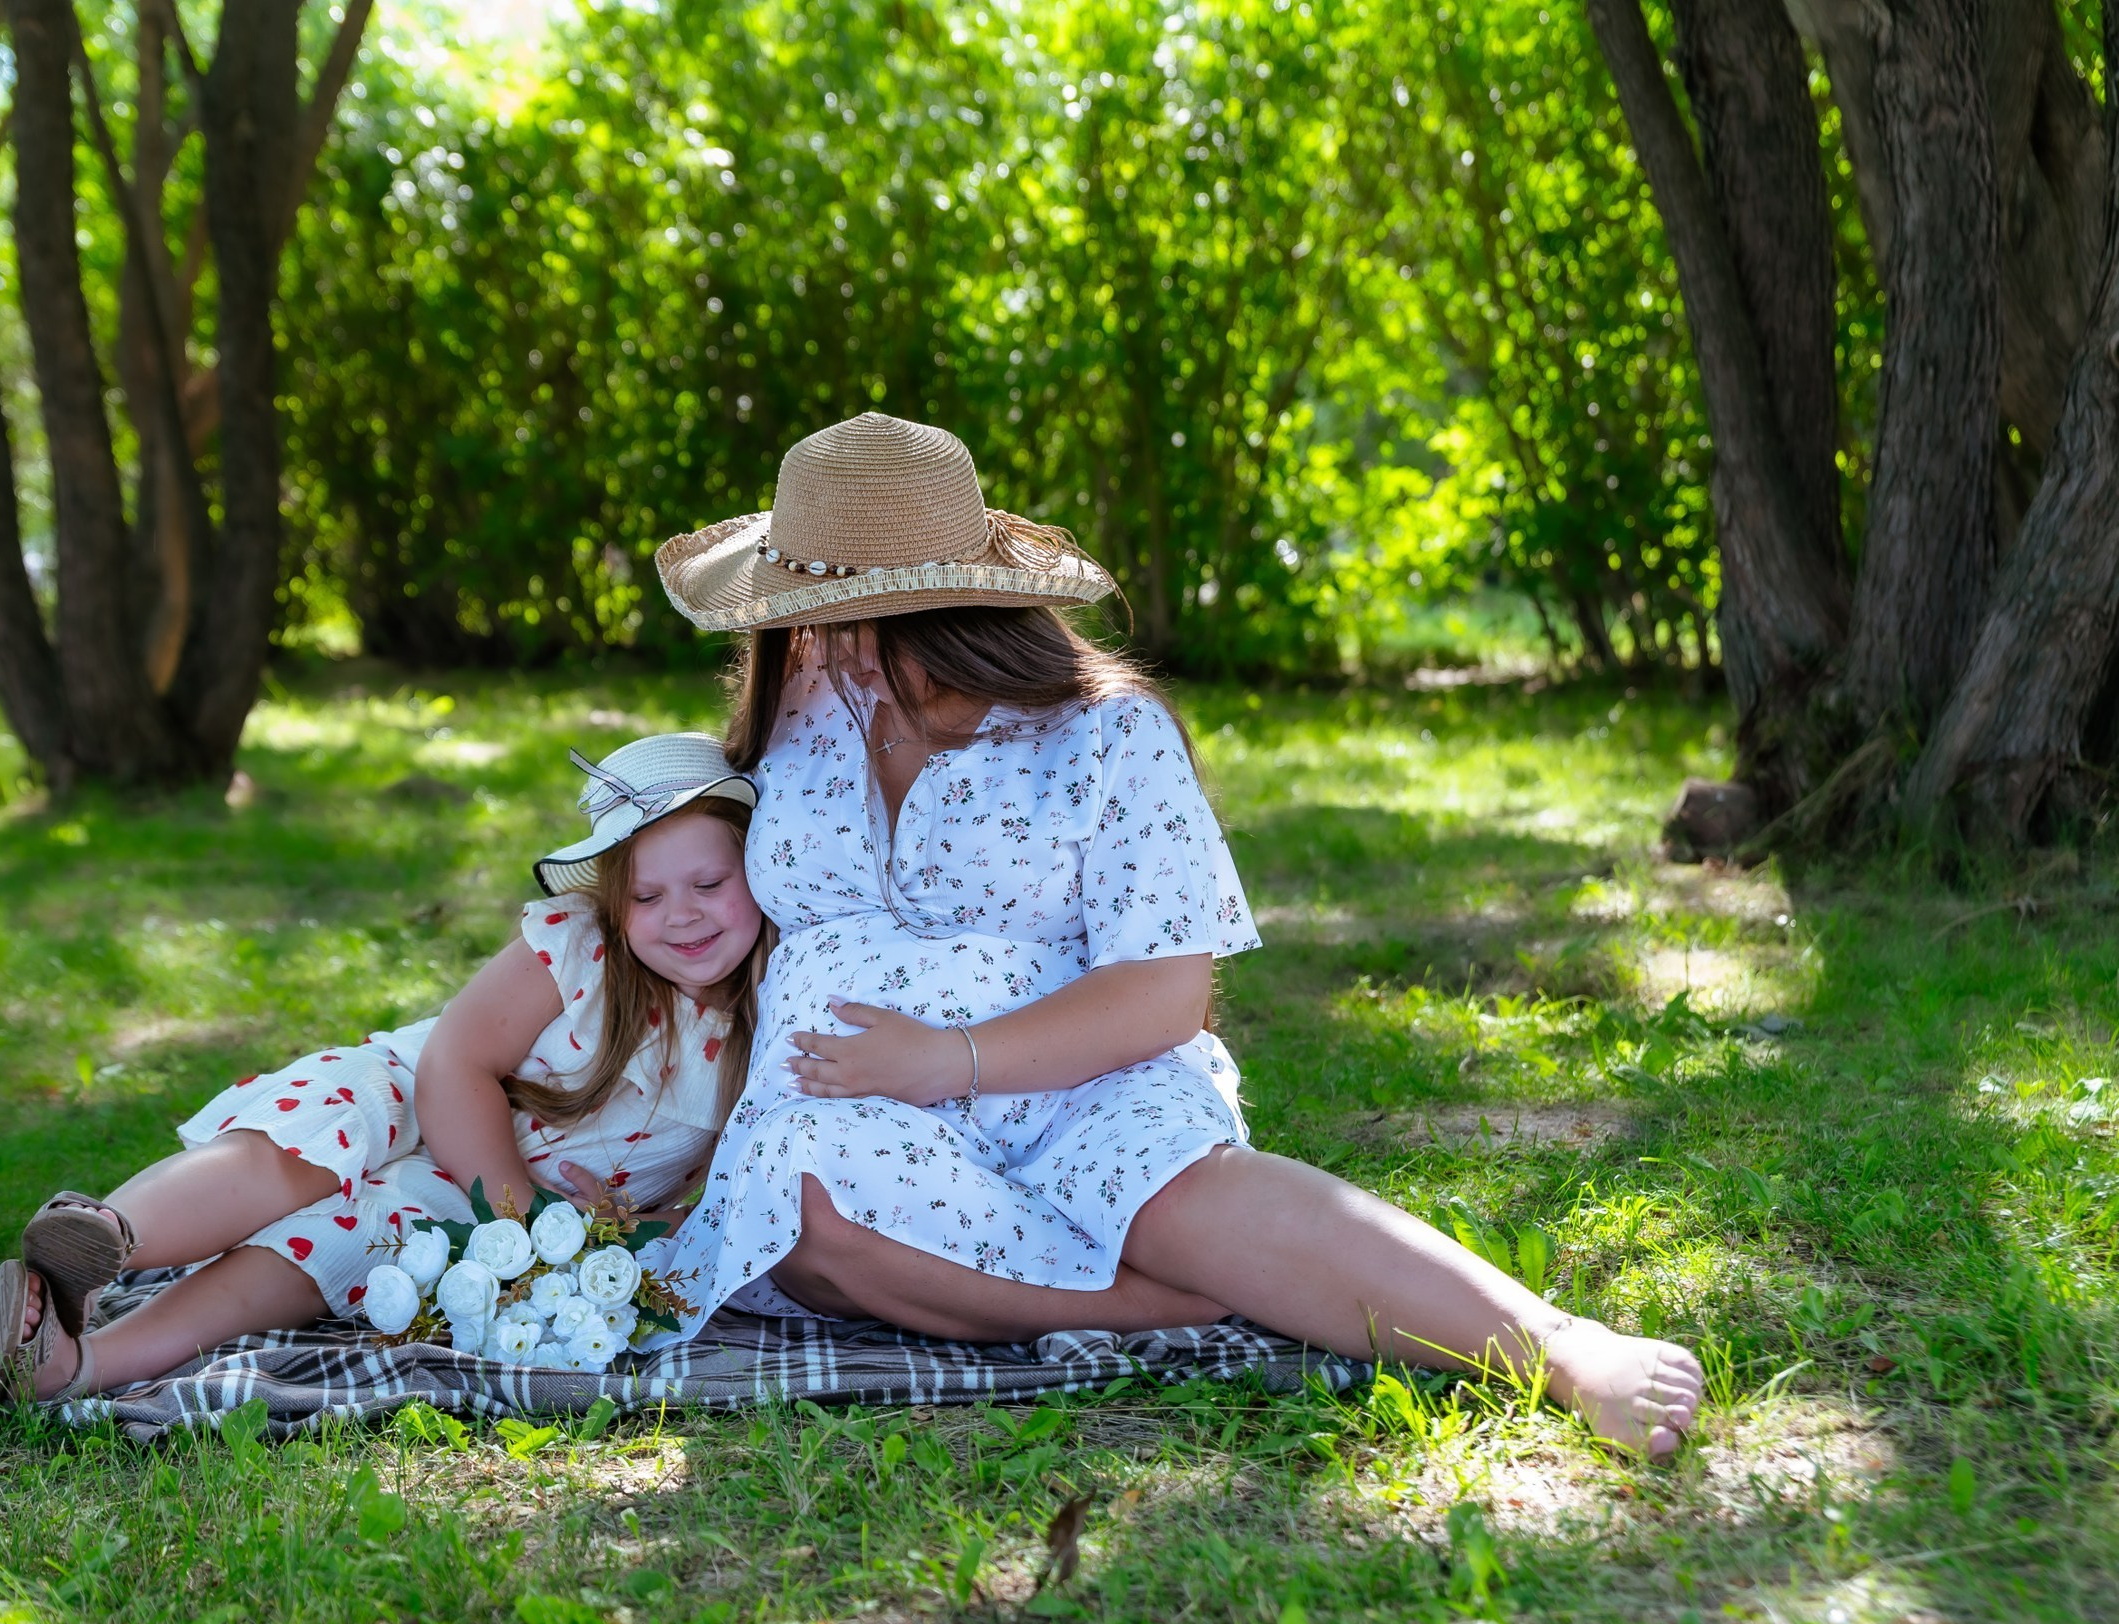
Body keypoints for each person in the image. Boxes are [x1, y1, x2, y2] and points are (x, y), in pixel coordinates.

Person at [647, 413, 1704, 1455]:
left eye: (861, 621)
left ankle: (1559, 1348)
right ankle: (1168, 1308)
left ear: (957, 611)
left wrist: (947, 1058)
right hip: (857, 1106)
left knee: (1172, 1190)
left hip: (1080, 1079)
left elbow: (1166, 995)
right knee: (801, 1217)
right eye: (807, 616)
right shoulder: (806, 700)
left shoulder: (1107, 732)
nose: (830, 648)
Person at [0, 733, 771, 1409]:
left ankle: (79, 1365)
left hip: (479, 1208)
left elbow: (724, 1198)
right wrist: (513, 1208)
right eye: (649, 894)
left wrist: (615, 1232)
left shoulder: (767, 1026)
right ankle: (105, 1236)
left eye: (708, 883)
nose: (683, 914)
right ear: (613, 899)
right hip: (421, 1096)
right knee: (311, 1141)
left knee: (326, 1250)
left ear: (762, 870)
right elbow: (457, 1058)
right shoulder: (582, 944)